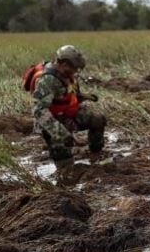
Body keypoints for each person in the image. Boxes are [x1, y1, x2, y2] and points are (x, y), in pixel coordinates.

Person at [30, 45, 107, 178]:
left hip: (68, 114)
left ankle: (96, 155)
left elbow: (69, 94)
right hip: (52, 122)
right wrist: (62, 134)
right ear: (64, 64)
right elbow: (39, 110)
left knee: (97, 118)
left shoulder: (67, 75)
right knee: (66, 166)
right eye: (74, 68)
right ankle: (65, 176)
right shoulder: (48, 80)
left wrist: (84, 97)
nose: (76, 71)